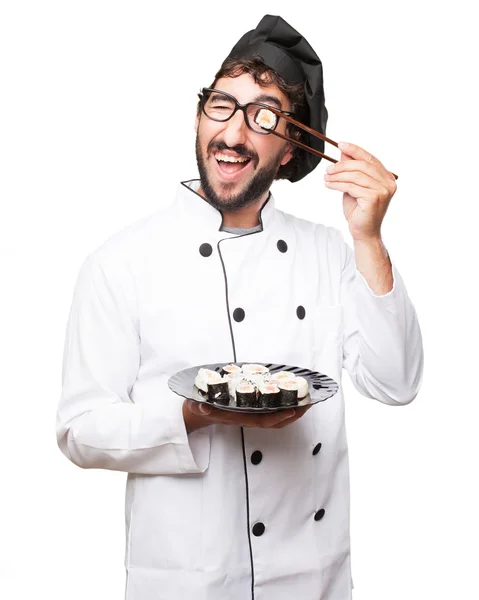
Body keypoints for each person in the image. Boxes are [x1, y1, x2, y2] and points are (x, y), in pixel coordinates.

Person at [57, 14, 424, 600]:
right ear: (200, 116)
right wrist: (195, 415)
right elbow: (80, 431)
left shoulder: (331, 253)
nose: (233, 133)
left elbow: (397, 382)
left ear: (288, 151)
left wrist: (369, 238)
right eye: (222, 105)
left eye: (264, 117)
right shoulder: (121, 262)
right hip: (186, 585)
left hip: (311, 579)